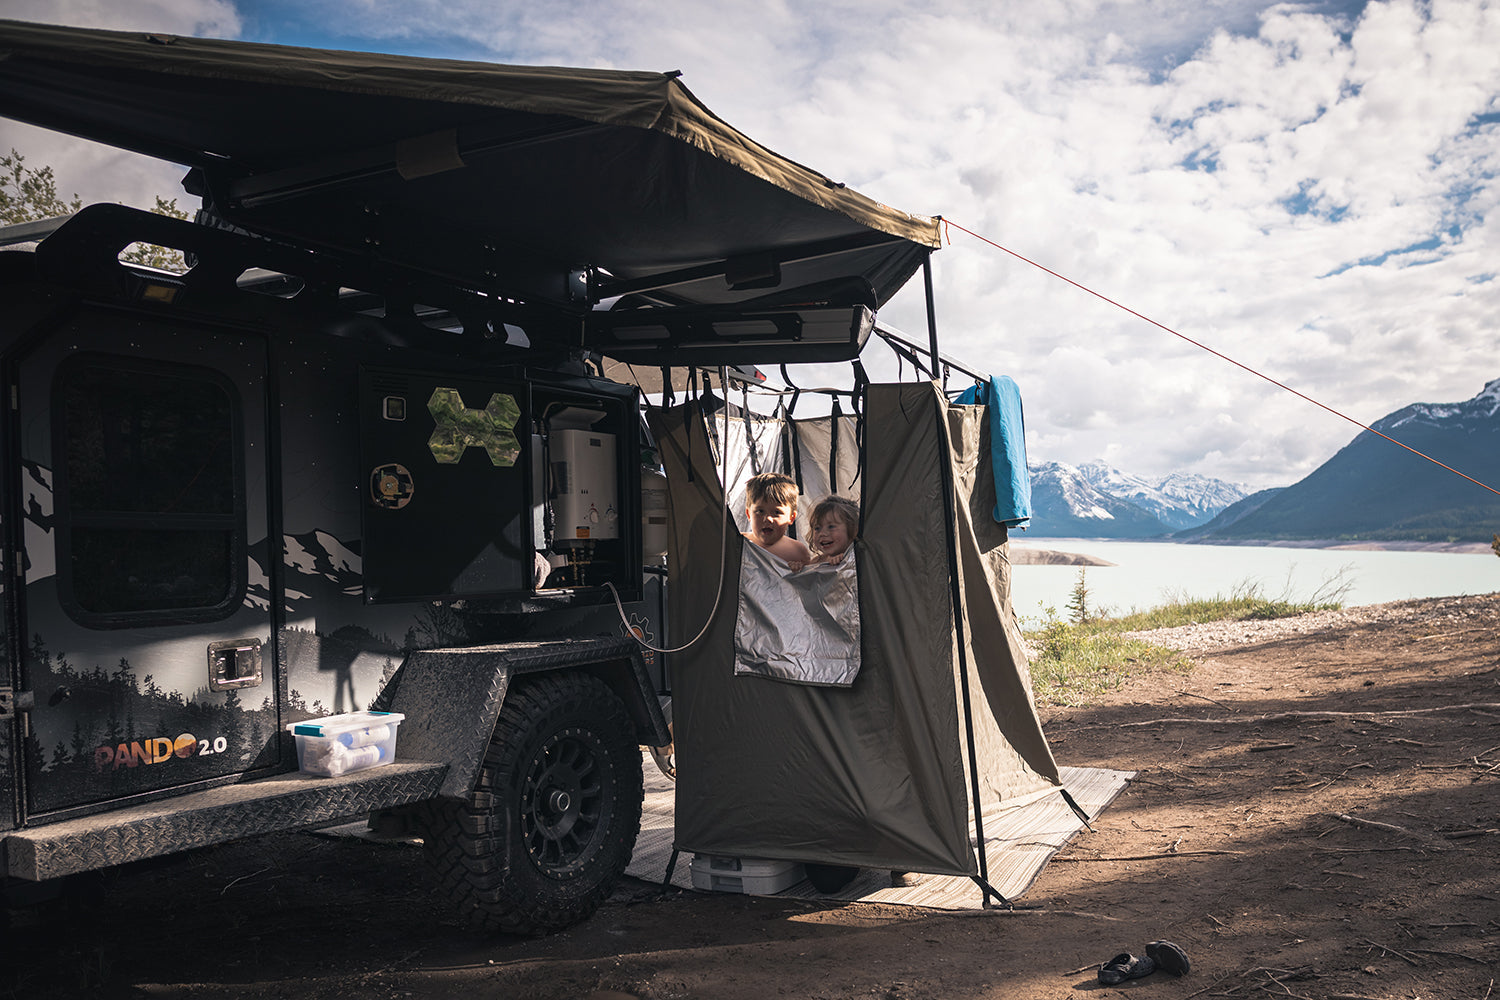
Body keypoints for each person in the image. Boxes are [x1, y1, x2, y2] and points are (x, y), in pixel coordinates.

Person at [742, 472, 814, 564]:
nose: (767, 518)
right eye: (760, 511)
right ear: (748, 514)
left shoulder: (797, 552)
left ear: (791, 518)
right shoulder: (739, 543)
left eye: (776, 512)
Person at [806, 494, 859, 565]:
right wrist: (799, 568)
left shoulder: (858, 558)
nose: (822, 533)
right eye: (817, 528)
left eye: (831, 527)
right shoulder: (817, 561)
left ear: (854, 530)